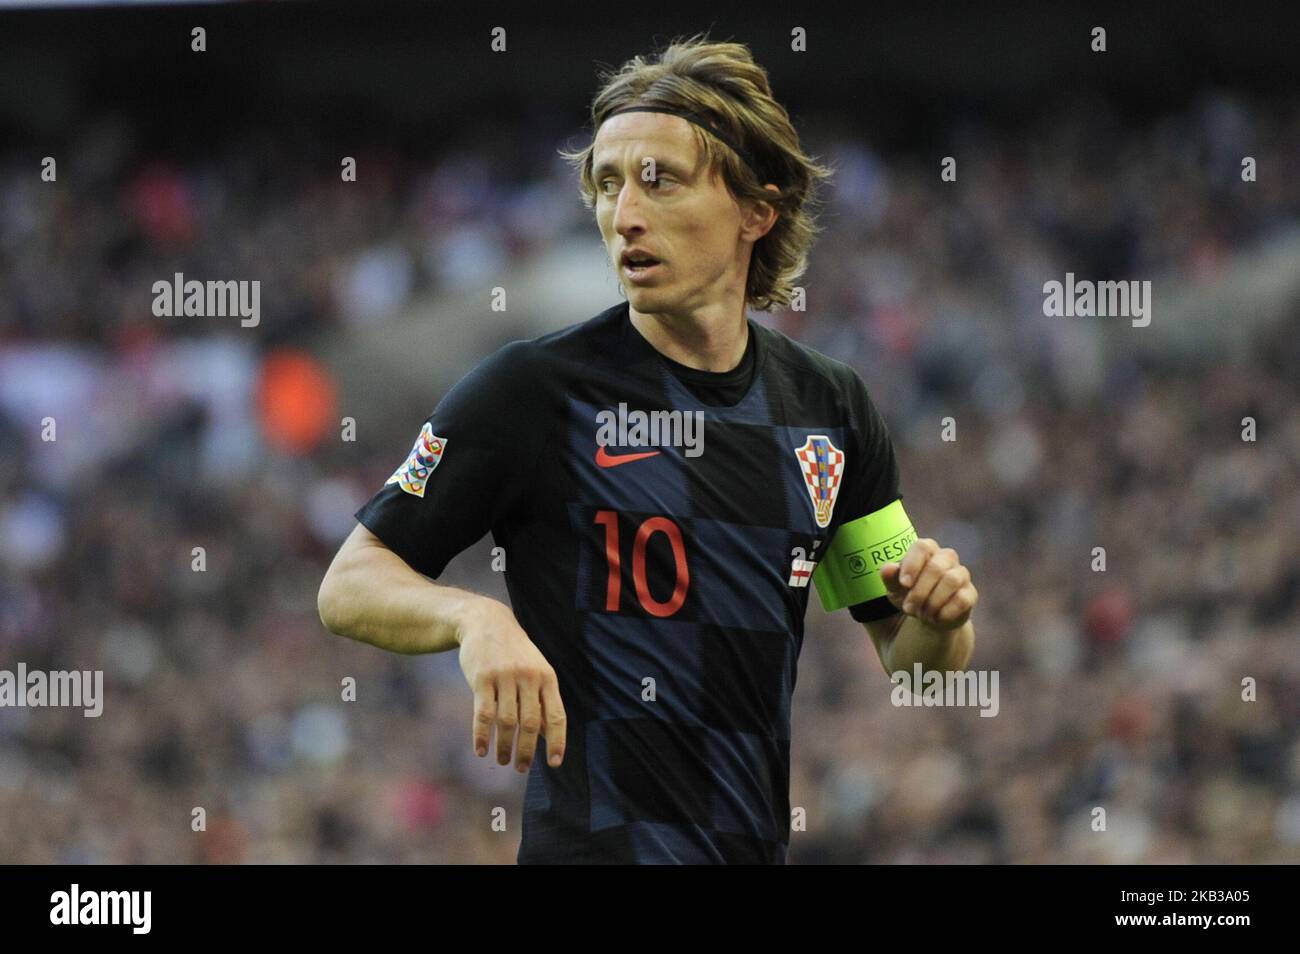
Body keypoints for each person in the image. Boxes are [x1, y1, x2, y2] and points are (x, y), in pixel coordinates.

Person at [318, 35, 977, 863]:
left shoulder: (829, 408)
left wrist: (943, 620)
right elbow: (349, 583)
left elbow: (914, 666)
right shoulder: (533, 391)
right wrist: (472, 616)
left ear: (755, 210)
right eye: (606, 183)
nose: (622, 213)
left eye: (658, 181)